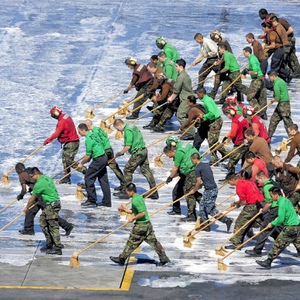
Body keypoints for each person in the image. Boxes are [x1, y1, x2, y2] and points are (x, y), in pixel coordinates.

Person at [110, 183, 170, 266]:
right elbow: (134, 211)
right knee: (154, 242)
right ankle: (164, 258)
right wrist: (124, 210)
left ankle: (121, 259)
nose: (126, 193)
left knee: (131, 242)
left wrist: (133, 218)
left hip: (140, 226)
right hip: (147, 224)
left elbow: (142, 213)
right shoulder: (138, 197)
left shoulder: (135, 200)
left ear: (131, 191)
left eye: (127, 191)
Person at [15, 163, 73, 236]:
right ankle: (28, 229)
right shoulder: (30, 172)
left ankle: (67, 226)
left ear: (19, 169)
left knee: (49, 214)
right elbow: (35, 182)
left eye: (16, 170)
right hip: (40, 194)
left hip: (39, 196)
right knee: (31, 211)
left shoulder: (21, 175)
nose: (17, 172)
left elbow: (24, 189)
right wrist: (31, 188)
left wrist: (21, 195)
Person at [256, 187, 300, 269]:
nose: (271, 198)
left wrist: (272, 223)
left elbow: (280, 219)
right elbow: (287, 213)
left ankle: (268, 261)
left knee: (278, 244)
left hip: (290, 228)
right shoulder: (286, 200)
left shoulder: (282, 202)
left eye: (271, 195)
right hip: (297, 226)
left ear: (276, 195)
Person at [113, 119, 158, 199]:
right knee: (146, 171)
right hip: (143, 150)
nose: (118, 131)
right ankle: (154, 192)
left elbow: (128, 146)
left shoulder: (127, 130)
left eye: (117, 129)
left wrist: (121, 152)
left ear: (119, 125)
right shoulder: (132, 125)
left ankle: (126, 192)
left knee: (127, 170)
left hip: (138, 153)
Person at [190, 152, 233, 232]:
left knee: (210, 209)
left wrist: (194, 190)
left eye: (192, 160)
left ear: (195, 159)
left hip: (210, 190)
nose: (192, 162)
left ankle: (226, 220)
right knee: (202, 207)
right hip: (210, 189)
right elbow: (207, 178)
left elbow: (198, 182)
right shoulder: (206, 165)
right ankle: (206, 226)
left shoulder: (197, 169)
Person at [23, 167, 62, 255]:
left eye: (32, 176)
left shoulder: (39, 183)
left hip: (51, 205)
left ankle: (57, 248)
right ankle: (49, 244)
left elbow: (32, 199)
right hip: (52, 203)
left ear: (36, 174)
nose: (31, 178)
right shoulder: (47, 178)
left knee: (53, 226)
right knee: (43, 222)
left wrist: (26, 208)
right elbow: (49, 190)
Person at [44, 106, 86, 184]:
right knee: (65, 159)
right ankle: (66, 177)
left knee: (69, 161)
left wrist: (47, 141)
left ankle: (86, 171)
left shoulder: (61, 122)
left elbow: (56, 134)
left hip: (72, 142)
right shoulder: (66, 116)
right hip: (71, 141)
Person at [245, 171, 282, 257]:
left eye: (258, 180)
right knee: (281, 229)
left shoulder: (267, 187)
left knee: (264, 230)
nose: (258, 182)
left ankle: (257, 250)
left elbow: (269, 203)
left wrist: (263, 210)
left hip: (274, 210)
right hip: (279, 208)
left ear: (262, 178)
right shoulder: (272, 182)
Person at [164, 143, 202, 221]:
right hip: (187, 173)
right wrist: (172, 177)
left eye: (167, 155)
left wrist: (170, 177)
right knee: (177, 191)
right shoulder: (183, 147)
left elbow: (175, 168)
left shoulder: (178, 153)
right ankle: (176, 210)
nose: (168, 157)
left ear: (169, 152)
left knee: (189, 193)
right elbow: (179, 171)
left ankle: (192, 215)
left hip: (192, 172)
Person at [225, 175, 264, 249]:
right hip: (259, 203)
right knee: (261, 222)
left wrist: (238, 204)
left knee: (240, 223)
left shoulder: (239, 187)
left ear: (232, 180)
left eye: (228, 182)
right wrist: (236, 203)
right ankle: (277, 234)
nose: (228, 183)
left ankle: (237, 243)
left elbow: (244, 202)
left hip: (251, 206)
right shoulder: (247, 182)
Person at [84, 119, 125, 191]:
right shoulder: (99, 129)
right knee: (115, 167)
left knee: (98, 167)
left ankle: (89, 183)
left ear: (88, 126)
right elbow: (107, 136)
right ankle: (124, 183)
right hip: (109, 148)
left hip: (104, 151)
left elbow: (98, 143)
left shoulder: (94, 132)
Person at [77, 123, 111, 207]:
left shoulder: (88, 139)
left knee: (88, 177)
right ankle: (107, 202)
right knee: (103, 180)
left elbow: (88, 156)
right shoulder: (93, 134)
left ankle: (92, 199)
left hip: (98, 160)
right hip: (103, 157)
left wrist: (81, 164)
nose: (79, 133)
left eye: (79, 131)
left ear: (83, 130)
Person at [197, 88, 229, 165]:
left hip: (215, 122)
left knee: (213, 141)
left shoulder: (207, 101)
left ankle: (227, 153)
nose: (197, 96)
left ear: (201, 94)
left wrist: (204, 117)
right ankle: (214, 158)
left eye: (198, 94)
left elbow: (212, 113)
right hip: (214, 121)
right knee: (212, 140)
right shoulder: (208, 99)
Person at [167, 59, 194, 140]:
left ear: (181, 67)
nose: (175, 68)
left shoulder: (181, 76)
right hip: (186, 98)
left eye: (176, 66)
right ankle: (190, 131)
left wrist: (171, 98)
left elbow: (176, 90)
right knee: (184, 115)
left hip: (186, 99)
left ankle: (191, 133)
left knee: (180, 114)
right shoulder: (184, 75)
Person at [222, 105, 249, 180]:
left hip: (239, 143)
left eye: (227, 114)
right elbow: (246, 126)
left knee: (232, 161)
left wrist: (228, 139)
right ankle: (245, 176)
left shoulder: (235, 121)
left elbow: (233, 133)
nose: (227, 116)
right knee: (244, 160)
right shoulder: (240, 117)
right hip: (245, 142)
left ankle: (230, 177)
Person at [241, 47, 267, 119]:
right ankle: (263, 112)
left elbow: (255, 72)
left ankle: (258, 111)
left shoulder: (252, 59)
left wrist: (248, 72)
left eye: (244, 53)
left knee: (250, 97)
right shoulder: (252, 58)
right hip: (260, 78)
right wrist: (247, 69)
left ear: (247, 52)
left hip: (257, 79)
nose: (243, 54)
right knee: (260, 96)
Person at [267, 70, 293, 140]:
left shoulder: (276, 84)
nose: (269, 79)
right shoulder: (281, 80)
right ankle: (267, 137)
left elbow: (277, 97)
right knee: (273, 120)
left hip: (283, 105)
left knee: (287, 123)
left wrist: (272, 101)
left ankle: (294, 139)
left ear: (273, 76)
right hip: (282, 104)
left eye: (269, 77)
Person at [209, 30, 234, 100]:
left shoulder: (222, 43)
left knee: (219, 76)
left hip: (227, 64)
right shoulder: (222, 42)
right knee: (219, 77)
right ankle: (213, 93)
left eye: (213, 39)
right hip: (225, 63)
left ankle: (214, 93)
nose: (213, 40)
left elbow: (224, 55)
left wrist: (219, 62)